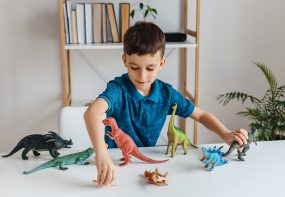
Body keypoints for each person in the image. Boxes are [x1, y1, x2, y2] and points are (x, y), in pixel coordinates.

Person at [84, 22, 248, 188]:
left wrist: (226, 133)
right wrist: (102, 154)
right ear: (124, 60)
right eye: (134, 67)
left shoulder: (166, 94)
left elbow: (201, 115)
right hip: (115, 163)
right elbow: (92, 113)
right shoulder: (117, 89)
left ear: (161, 64)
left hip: (142, 169)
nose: (142, 75)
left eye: (150, 68)